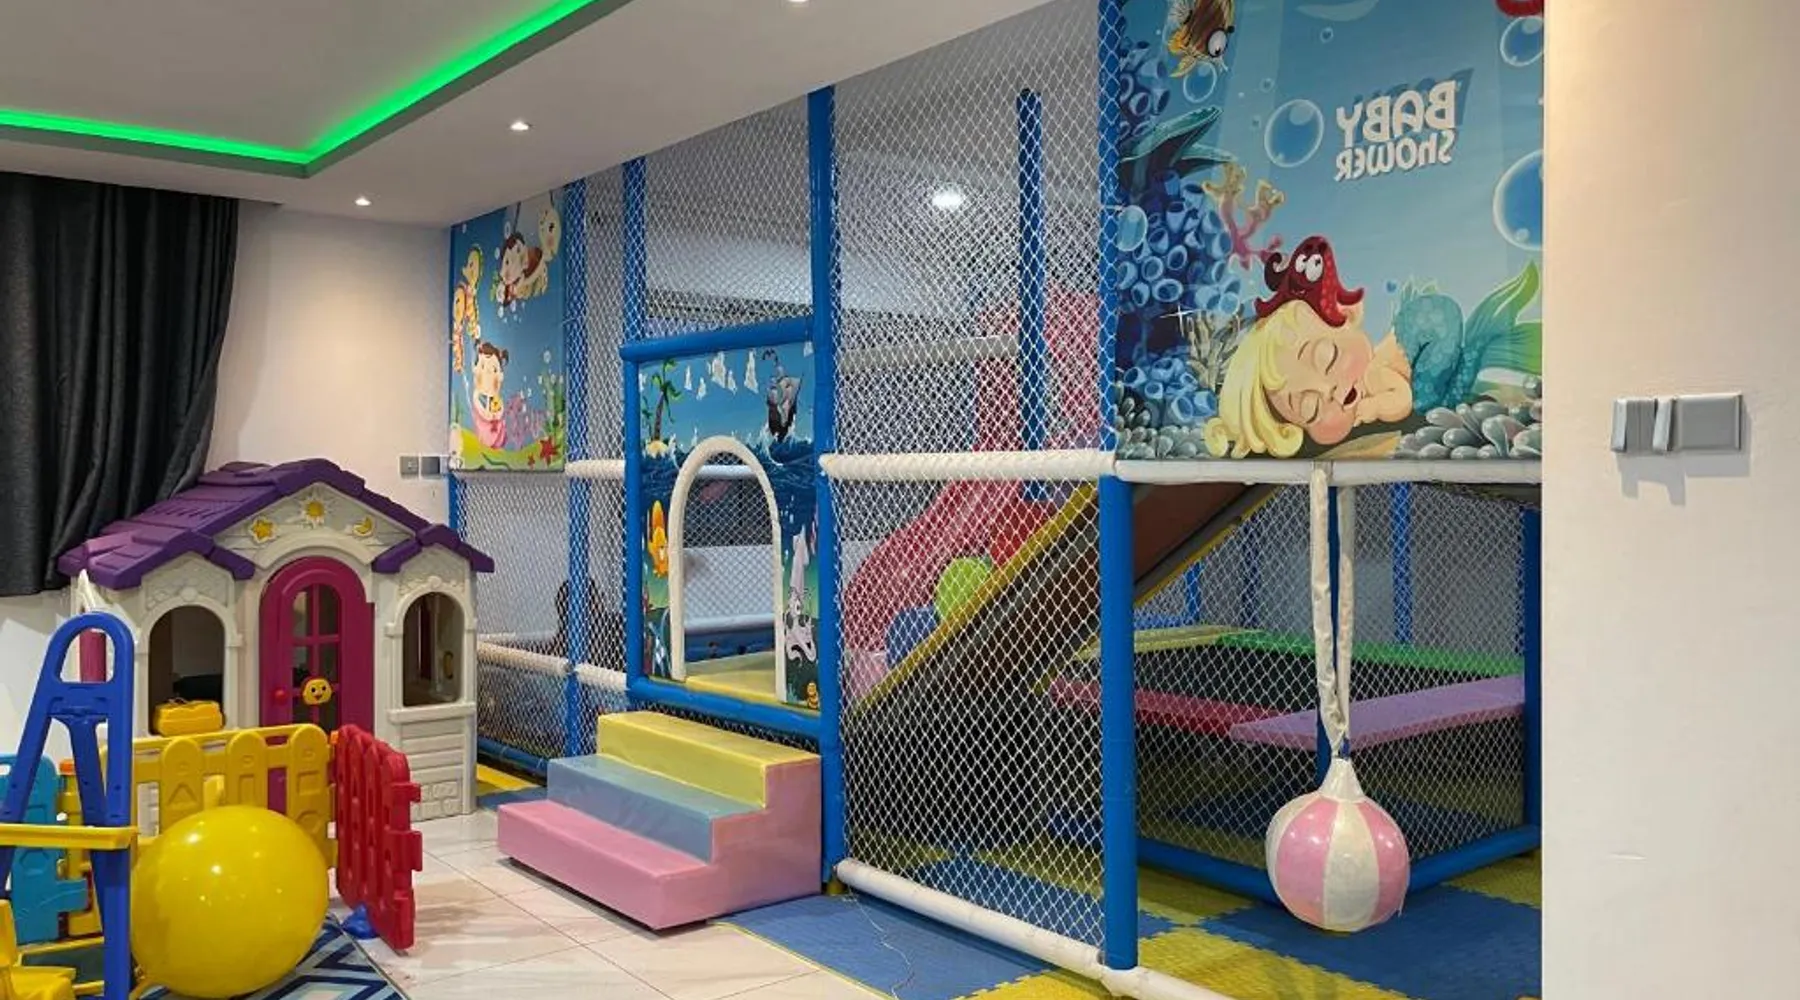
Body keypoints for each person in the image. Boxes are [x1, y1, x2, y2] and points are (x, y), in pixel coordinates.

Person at [1204, 299, 1413, 458]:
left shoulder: (1375, 372)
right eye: (1310, 408)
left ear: (1347, 314)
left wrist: (1375, 407)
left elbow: (1402, 399)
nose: (1329, 390)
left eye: (1328, 358)